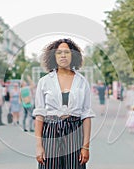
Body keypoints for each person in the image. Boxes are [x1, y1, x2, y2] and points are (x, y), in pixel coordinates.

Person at [33, 38, 95, 169]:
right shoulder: (44, 82)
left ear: (73, 55)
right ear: (53, 56)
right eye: (59, 52)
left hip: (74, 130)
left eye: (67, 52)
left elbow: (86, 115)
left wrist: (86, 147)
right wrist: (39, 146)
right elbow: (39, 115)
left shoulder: (82, 82)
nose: (63, 55)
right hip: (50, 130)